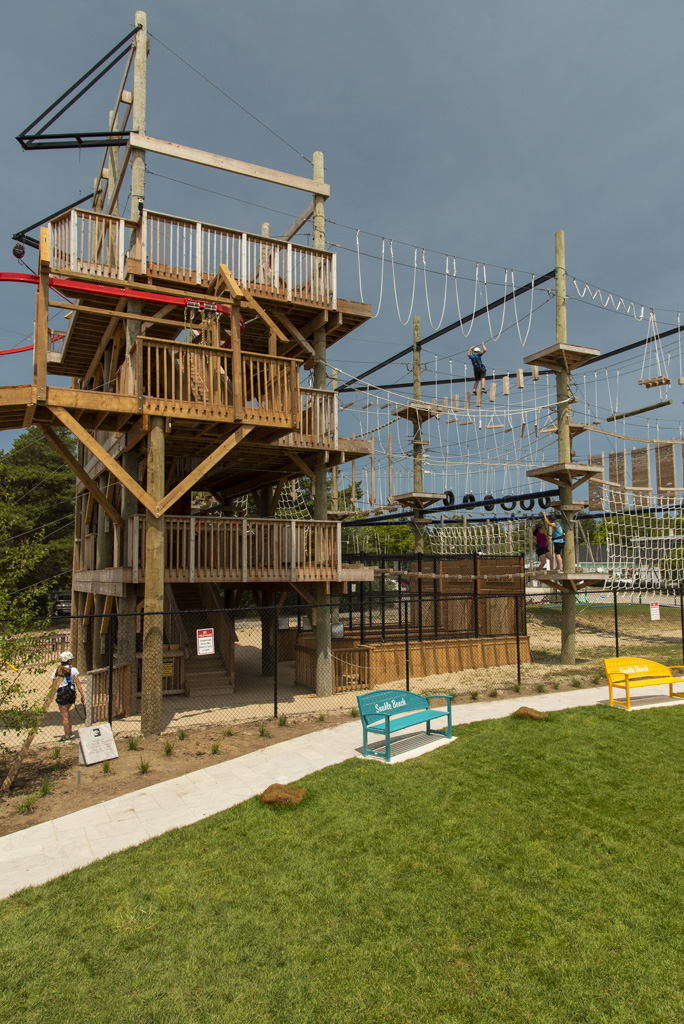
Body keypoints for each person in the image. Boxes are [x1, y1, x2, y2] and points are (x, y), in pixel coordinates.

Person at [52, 651, 85, 742]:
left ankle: (66, 736)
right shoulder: (73, 670)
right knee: (67, 712)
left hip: (62, 693)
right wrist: (82, 694)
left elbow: (54, 684)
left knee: (64, 715)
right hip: (71, 693)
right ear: (69, 660)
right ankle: (69, 732)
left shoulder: (57, 670)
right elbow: (77, 682)